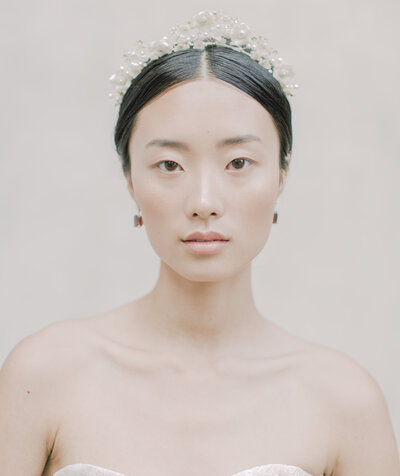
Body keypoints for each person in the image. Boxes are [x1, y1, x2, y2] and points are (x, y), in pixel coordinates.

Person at [0, 10, 399, 476]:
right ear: (130, 179)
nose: (204, 202)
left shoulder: (345, 402)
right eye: (169, 165)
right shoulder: (44, 375)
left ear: (281, 176)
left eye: (238, 162)